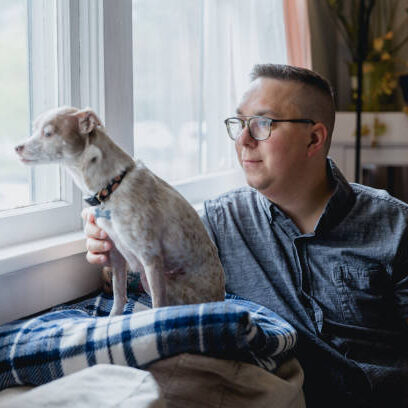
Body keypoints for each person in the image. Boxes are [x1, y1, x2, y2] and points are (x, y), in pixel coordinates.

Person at [82, 64, 408, 407]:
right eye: (239, 123)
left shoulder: (395, 226)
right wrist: (109, 245)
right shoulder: (218, 222)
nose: (243, 139)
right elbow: (138, 274)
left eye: (263, 123)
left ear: (314, 138)